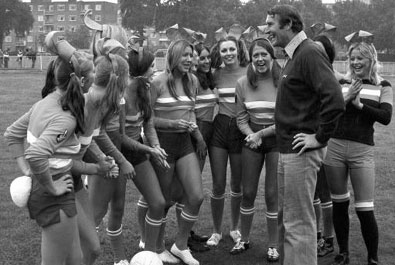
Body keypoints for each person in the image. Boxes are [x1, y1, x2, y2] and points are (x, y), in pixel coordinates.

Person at [4, 49, 101, 265]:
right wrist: (50, 186)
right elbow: (36, 153)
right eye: (94, 71)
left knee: (75, 260)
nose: (96, 76)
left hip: (55, 190)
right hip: (55, 195)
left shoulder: (45, 102)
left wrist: (28, 172)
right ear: (82, 80)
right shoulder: (66, 119)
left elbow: (12, 134)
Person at [265, 5, 345, 265]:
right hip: (288, 150)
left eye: (271, 24)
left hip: (301, 152)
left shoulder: (309, 51)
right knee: (290, 220)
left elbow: (334, 100)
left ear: (288, 24)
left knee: (299, 224)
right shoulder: (294, 54)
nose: (267, 30)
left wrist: (319, 138)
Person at [323, 36, 392, 265]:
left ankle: (372, 258)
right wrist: (348, 96)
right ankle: (343, 252)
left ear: (371, 59)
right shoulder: (342, 82)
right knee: (339, 204)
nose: (355, 62)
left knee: (365, 208)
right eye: (352, 58)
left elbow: (385, 117)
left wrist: (360, 105)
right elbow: (329, 112)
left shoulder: (383, 85)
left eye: (360, 58)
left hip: (362, 152)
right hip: (335, 149)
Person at [107, 47, 169, 261]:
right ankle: (119, 259)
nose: (156, 69)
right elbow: (121, 137)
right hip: (116, 153)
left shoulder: (146, 90)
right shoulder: (120, 96)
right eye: (152, 65)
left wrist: (156, 146)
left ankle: (149, 255)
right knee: (117, 208)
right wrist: (149, 149)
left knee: (158, 202)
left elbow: (149, 124)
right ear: (142, 70)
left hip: (138, 150)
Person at [151, 39, 205, 265]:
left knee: (196, 196)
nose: (190, 59)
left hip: (184, 144)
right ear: (173, 56)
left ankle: (180, 245)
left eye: (191, 55)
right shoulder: (157, 81)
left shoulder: (192, 80)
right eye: (185, 55)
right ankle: (158, 246)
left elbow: (190, 111)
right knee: (164, 201)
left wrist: (198, 134)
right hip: (163, 145)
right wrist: (172, 125)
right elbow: (147, 119)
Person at [231, 37, 281, 262]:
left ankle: (273, 245)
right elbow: (240, 117)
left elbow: (285, 120)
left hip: (277, 142)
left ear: (272, 56)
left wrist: (261, 134)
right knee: (248, 192)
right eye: (256, 56)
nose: (260, 59)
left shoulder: (283, 81)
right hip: (251, 141)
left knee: (272, 194)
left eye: (264, 55)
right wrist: (251, 134)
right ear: (251, 60)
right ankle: (244, 239)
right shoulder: (242, 83)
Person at [86, 52, 135, 265]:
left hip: (107, 151)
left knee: (116, 206)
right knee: (94, 213)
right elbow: (91, 138)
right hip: (92, 157)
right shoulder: (94, 100)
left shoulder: (108, 99)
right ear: (119, 81)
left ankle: (119, 257)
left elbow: (104, 133)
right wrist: (112, 160)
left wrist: (120, 158)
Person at [206, 35, 248, 247]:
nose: (228, 53)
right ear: (219, 53)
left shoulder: (249, 72)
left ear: (238, 50)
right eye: (224, 51)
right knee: (218, 184)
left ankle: (234, 228)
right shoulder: (216, 74)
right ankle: (216, 231)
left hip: (241, 130)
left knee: (237, 184)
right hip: (220, 128)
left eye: (231, 49)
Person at [312, 33, 337, 258]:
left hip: (328, 141)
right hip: (310, 141)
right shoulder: (311, 76)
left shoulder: (334, 77)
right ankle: (316, 235)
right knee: (313, 194)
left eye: (321, 49)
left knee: (325, 192)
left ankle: (328, 238)